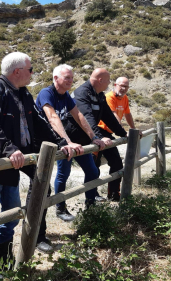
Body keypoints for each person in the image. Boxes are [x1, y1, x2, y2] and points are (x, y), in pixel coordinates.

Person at [0, 52, 73, 280]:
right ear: (17, 71)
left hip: (19, 158)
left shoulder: (23, 93)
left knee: (12, 211)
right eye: (30, 70)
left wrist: (62, 142)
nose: (33, 74)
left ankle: (9, 255)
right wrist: (10, 149)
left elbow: (39, 122)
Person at [36, 64, 106, 222]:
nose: (70, 81)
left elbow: (79, 115)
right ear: (56, 78)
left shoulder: (65, 95)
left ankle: (91, 204)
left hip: (67, 140)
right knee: (63, 174)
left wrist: (93, 136)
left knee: (92, 171)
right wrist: (67, 142)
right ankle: (60, 208)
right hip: (51, 142)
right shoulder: (46, 93)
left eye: (72, 78)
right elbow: (52, 117)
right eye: (67, 77)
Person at [67, 68, 127, 202]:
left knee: (115, 163)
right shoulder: (82, 93)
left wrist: (124, 134)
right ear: (100, 80)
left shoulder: (100, 95)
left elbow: (109, 117)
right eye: (108, 80)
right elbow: (87, 118)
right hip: (76, 138)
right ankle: (73, 205)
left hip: (94, 136)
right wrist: (99, 137)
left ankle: (112, 195)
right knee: (69, 173)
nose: (109, 83)